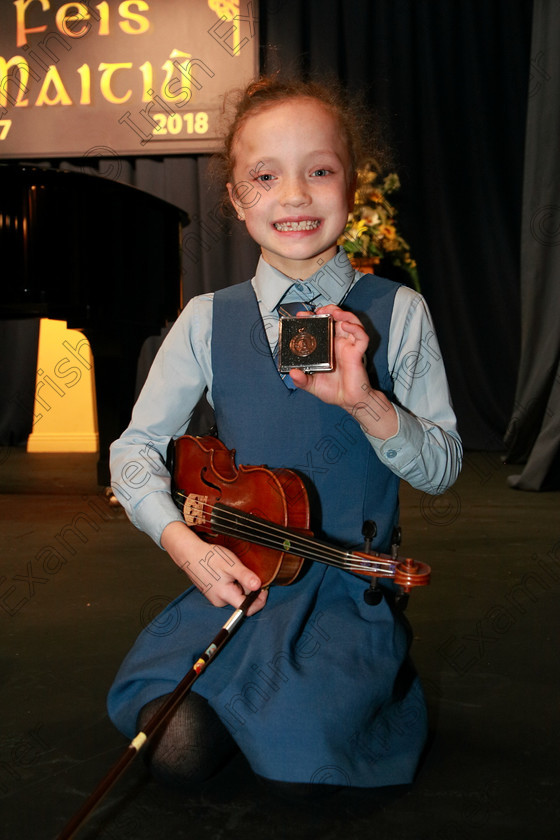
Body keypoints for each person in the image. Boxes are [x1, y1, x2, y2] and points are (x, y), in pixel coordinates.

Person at [107, 76, 462, 797]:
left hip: (343, 594)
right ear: (238, 200)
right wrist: (189, 549)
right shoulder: (207, 318)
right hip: (240, 581)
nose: (294, 195)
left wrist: (365, 402)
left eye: (319, 170)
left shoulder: (401, 311)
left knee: (301, 764)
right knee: (171, 746)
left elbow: (442, 468)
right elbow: (134, 450)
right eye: (265, 177)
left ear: (351, 185)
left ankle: (381, 672)